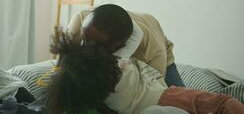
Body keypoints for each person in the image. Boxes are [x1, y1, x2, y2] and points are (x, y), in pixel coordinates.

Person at [48, 37, 244, 114]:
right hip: (167, 96)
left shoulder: (94, 97)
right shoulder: (120, 64)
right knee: (224, 103)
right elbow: (135, 34)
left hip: (163, 97)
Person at [66, 4, 185, 87]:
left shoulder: (153, 52)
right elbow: (63, 67)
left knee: (184, 102)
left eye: (94, 45)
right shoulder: (79, 21)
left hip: (156, 43)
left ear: (119, 47)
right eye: (84, 39)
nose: (84, 47)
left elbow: (155, 93)